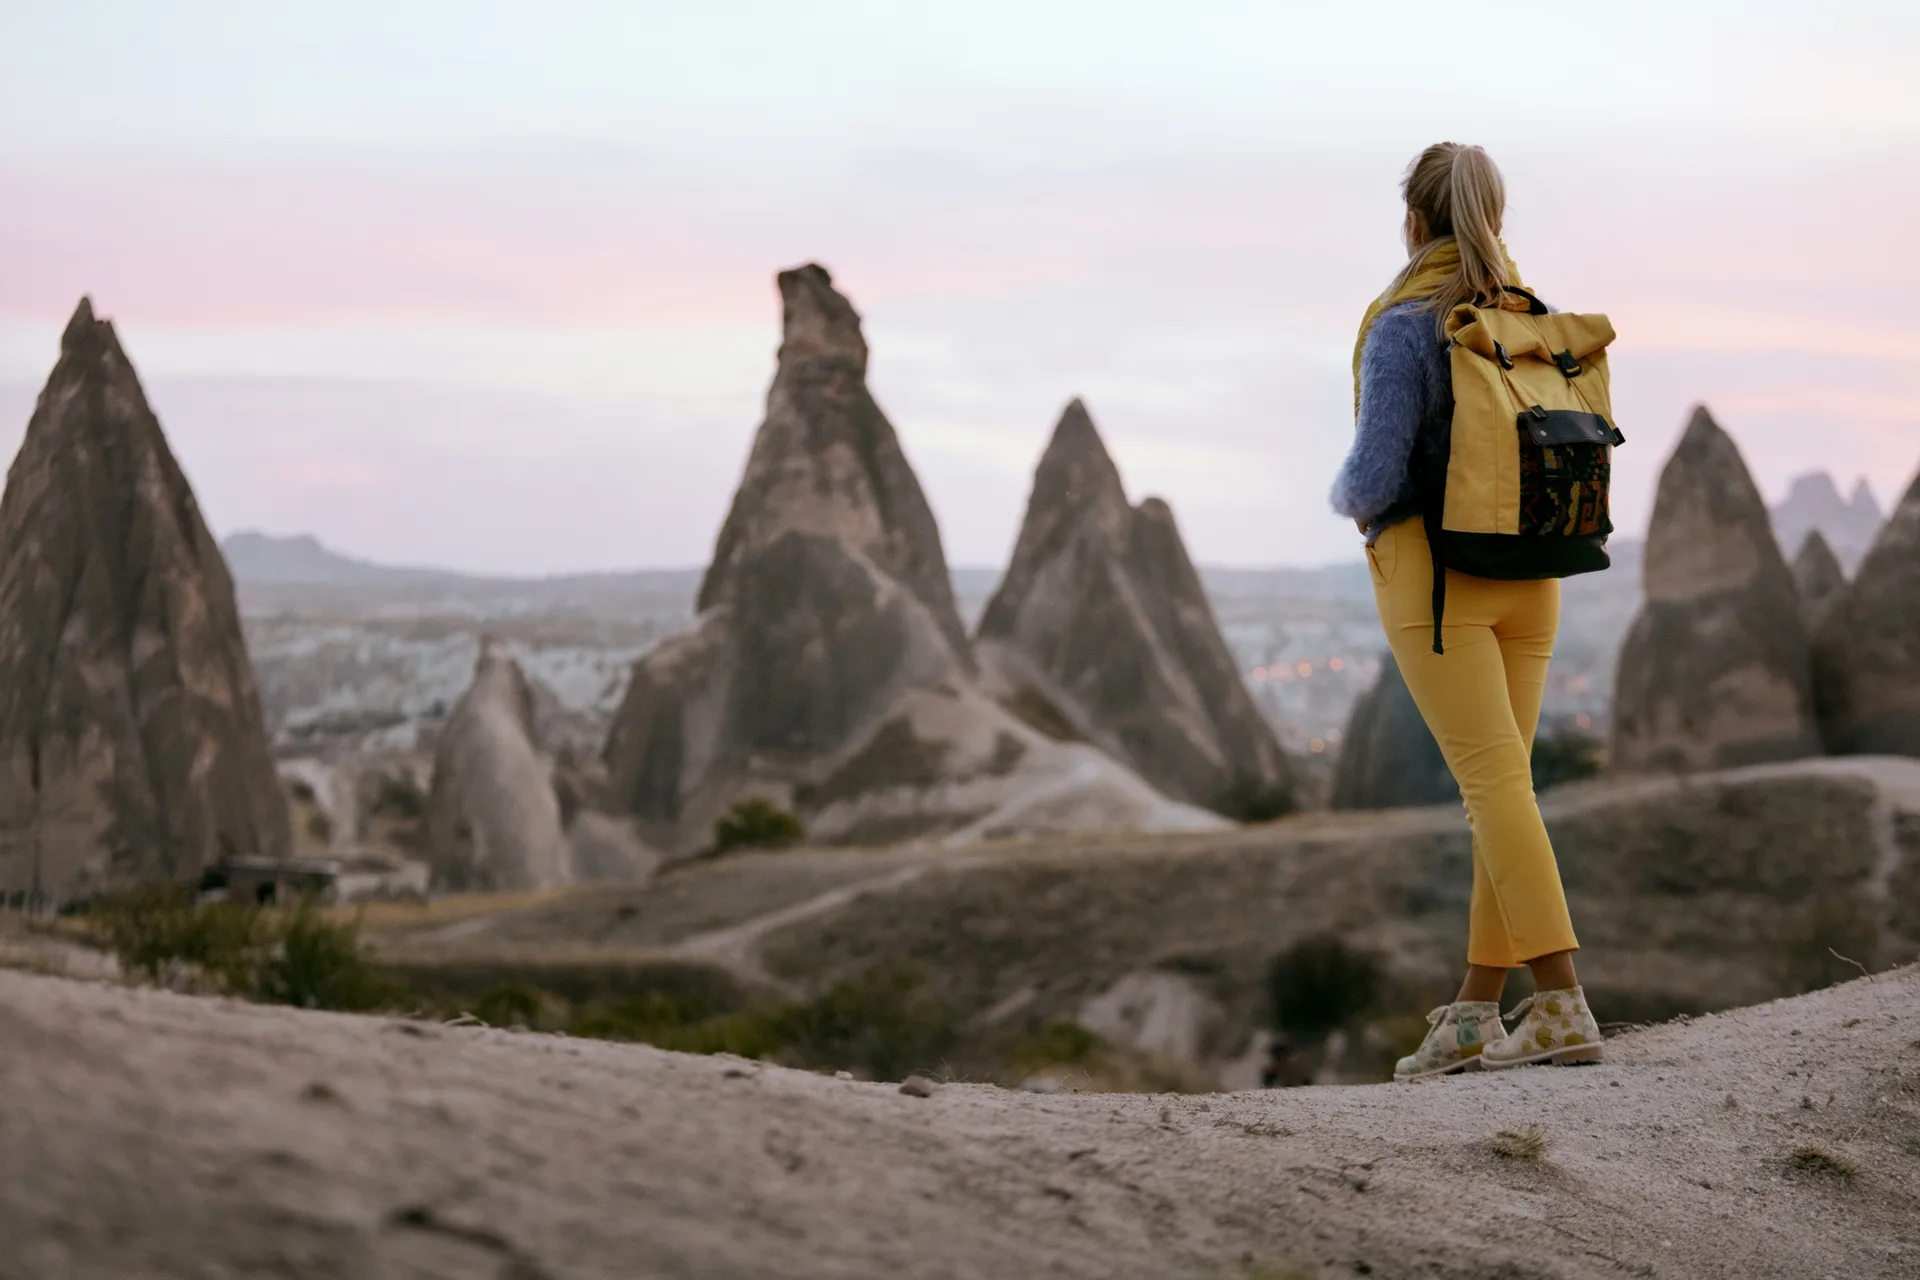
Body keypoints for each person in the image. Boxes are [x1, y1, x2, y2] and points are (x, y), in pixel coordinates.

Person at [1329, 142, 1604, 1081]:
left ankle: (1560, 1001)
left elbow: (1374, 469)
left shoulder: (1408, 322)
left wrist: (1351, 508)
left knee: (1493, 792)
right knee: (1505, 790)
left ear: (1415, 219)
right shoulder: (1526, 318)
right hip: (1538, 571)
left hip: (1439, 578)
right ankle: (1477, 1011)